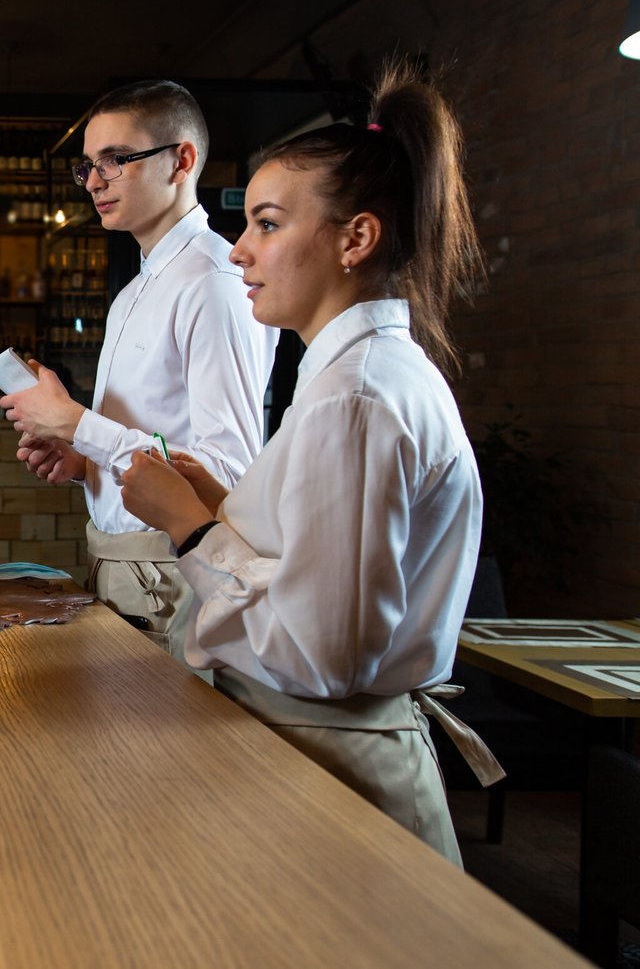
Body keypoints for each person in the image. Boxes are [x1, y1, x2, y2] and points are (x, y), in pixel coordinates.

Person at [118, 63, 502, 864]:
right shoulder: (354, 374)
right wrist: (229, 505)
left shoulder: (353, 397)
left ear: (354, 239)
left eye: (265, 224)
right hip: (307, 760)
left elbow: (324, 652)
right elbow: (322, 576)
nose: (238, 253)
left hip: (336, 783)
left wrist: (189, 527)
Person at [0, 81, 276, 656]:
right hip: (114, 563)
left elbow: (230, 471)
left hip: (171, 573)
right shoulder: (133, 292)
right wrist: (84, 462)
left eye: (117, 160)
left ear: (182, 161)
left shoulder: (213, 282)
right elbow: (160, 440)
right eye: (89, 166)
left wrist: (76, 423)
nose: (96, 181)